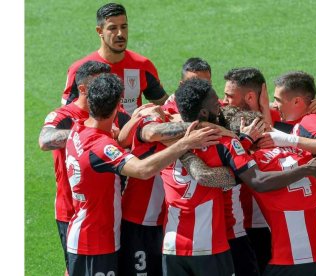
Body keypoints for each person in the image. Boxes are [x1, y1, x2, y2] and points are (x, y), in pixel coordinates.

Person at [159, 78, 316, 276]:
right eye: (215, 101)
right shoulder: (297, 154)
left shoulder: (163, 144)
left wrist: (182, 148)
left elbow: (206, 175)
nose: (220, 103)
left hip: (179, 243)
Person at [65, 73, 222, 276]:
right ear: (118, 105)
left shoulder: (78, 130)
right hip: (98, 238)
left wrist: (134, 121)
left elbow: (119, 140)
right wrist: (186, 143)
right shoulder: (102, 145)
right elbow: (142, 169)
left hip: (94, 232)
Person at [224, 107, 316, 275]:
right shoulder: (301, 149)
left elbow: (231, 173)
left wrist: (243, 141)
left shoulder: (253, 163)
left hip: (291, 256)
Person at [260, 71, 316, 276]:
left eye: (278, 100)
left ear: (297, 101)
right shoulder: (300, 122)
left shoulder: (310, 120)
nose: (275, 105)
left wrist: (286, 140)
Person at [38, 60, 113, 273]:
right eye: (99, 85)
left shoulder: (109, 112)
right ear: (82, 89)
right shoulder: (63, 116)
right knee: (73, 269)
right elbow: (45, 140)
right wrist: (88, 135)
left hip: (104, 211)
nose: (105, 89)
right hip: (70, 210)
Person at [61, 3, 168, 115]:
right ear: (100, 31)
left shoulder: (143, 66)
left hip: (133, 131)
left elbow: (164, 105)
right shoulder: (79, 69)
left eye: (124, 27)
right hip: (95, 132)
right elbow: (67, 116)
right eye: (113, 28)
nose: (120, 34)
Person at [222, 67, 273, 273]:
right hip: (236, 225)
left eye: (229, 96)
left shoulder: (280, 118)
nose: (224, 100)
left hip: (263, 224)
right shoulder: (225, 116)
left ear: (250, 96)